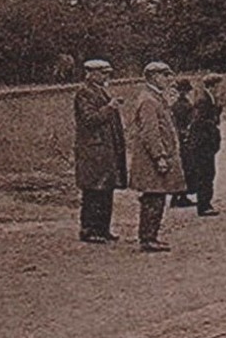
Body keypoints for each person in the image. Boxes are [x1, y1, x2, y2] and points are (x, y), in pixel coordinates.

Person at [130, 61, 187, 251]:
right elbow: (150, 132)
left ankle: (150, 236)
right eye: (165, 75)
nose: (168, 79)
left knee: (157, 196)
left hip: (153, 158)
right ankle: (148, 238)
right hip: (151, 160)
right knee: (153, 197)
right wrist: (159, 156)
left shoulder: (155, 97)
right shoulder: (148, 100)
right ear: (154, 76)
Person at [72, 59, 126, 243]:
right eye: (103, 73)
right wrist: (109, 108)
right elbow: (89, 119)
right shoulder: (84, 92)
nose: (106, 76)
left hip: (104, 149)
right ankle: (89, 230)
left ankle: (103, 229)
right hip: (92, 150)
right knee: (93, 190)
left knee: (105, 189)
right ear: (91, 73)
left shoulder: (100, 91)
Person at [186, 74, 224, 215]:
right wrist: (212, 125)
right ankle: (204, 206)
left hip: (207, 144)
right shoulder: (203, 100)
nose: (220, 89)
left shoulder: (210, 99)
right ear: (212, 86)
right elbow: (199, 122)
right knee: (205, 174)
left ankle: (206, 203)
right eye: (218, 86)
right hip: (202, 145)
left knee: (209, 173)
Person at [169, 77, 196, 209]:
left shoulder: (174, 106)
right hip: (185, 139)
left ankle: (177, 196)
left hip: (177, 138)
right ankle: (181, 196)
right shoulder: (187, 106)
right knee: (187, 167)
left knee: (181, 167)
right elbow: (190, 124)